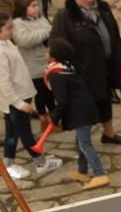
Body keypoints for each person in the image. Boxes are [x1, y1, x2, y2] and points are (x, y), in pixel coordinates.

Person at [0, 9, 63, 180]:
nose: (12, 31)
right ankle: (40, 162)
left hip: (16, 98)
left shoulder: (4, 43)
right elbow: (3, 82)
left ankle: (8, 163)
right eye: (9, 28)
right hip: (14, 100)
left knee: (12, 132)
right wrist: (18, 103)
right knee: (25, 132)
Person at [51, 0, 121, 144]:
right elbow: (57, 46)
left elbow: (112, 32)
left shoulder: (102, 8)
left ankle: (108, 134)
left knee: (105, 101)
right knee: (83, 107)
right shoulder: (65, 16)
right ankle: (83, 145)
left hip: (105, 66)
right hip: (83, 70)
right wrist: (74, 67)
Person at [45, 38, 109, 189]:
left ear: (53, 55)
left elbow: (62, 100)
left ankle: (100, 174)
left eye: (47, 51)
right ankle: (82, 171)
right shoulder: (67, 68)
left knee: (85, 144)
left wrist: (54, 117)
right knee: (80, 143)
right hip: (84, 110)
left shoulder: (56, 74)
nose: (45, 53)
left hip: (80, 113)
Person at [11, 0, 53, 121]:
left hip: (46, 62)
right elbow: (24, 40)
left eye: (37, 5)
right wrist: (45, 33)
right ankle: (43, 116)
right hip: (32, 65)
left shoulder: (42, 19)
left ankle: (54, 115)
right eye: (32, 6)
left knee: (50, 92)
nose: (36, 8)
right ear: (23, 8)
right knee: (39, 93)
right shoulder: (18, 23)